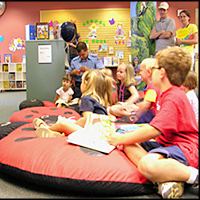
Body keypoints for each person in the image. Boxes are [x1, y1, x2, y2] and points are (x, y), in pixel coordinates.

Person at [105, 46, 198, 199]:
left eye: (153, 68)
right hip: (167, 144)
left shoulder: (174, 96)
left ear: (161, 72)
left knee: (146, 164)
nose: (149, 72)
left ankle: (193, 176)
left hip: (185, 148)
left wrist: (119, 138)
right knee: (129, 143)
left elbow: (153, 130)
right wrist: (124, 137)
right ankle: (164, 179)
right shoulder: (167, 94)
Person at [33, 69, 114, 137]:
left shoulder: (87, 99)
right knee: (69, 122)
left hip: (90, 133)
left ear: (85, 84)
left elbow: (87, 120)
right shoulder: (100, 99)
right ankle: (55, 131)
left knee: (62, 123)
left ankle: (47, 129)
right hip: (101, 131)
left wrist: (74, 124)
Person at [134, 58, 161, 123]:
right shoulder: (152, 87)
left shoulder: (152, 89)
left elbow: (146, 105)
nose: (139, 73)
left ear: (149, 72)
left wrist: (136, 110)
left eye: (141, 70)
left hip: (152, 116)